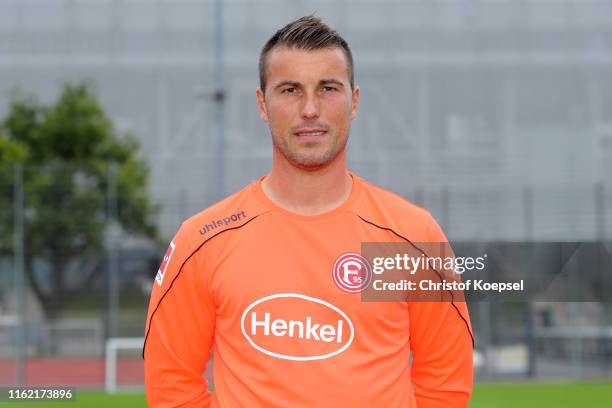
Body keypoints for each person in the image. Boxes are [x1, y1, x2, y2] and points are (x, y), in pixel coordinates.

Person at [144, 15, 473, 407]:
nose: (311, 109)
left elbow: (445, 386)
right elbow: (172, 389)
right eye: (290, 90)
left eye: (328, 88)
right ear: (262, 104)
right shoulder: (203, 240)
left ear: (354, 101)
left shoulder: (411, 236)